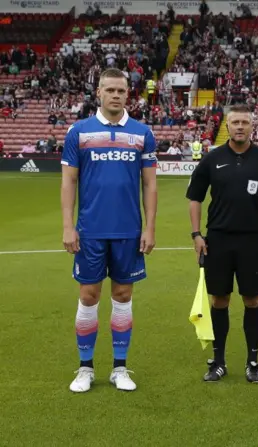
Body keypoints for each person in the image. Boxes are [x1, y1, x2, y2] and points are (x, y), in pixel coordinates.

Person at [61, 68, 158, 393]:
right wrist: (68, 226)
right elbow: (69, 180)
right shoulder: (79, 132)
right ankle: (85, 368)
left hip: (128, 231)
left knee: (123, 295)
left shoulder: (142, 133)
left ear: (128, 94)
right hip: (89, 231)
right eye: (110, 90)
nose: (116, 95)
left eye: (121, 90)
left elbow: (150, 184)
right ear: (98, 92)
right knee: (89, 296)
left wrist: (150, 227)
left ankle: (119, 367)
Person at [186, 104, 258, 383]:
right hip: (218, 239)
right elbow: (195, 198)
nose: (240, 126)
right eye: (235, 122)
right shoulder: (212, 159)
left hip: (253, 240)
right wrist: (196, 235)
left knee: (252, 300)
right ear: (227, 124)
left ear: (253, 126)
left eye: (245, 122)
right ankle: (219, 361)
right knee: (220, 300)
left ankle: (253, 362)